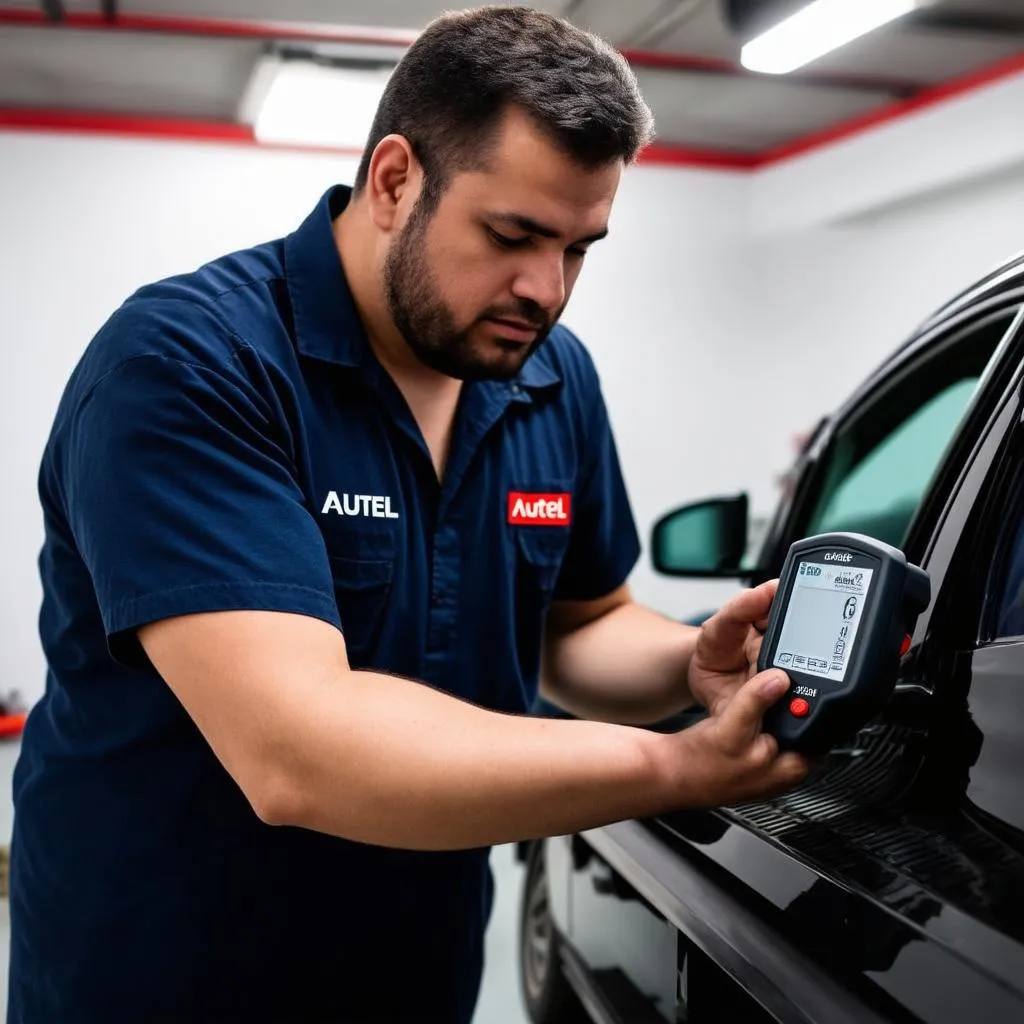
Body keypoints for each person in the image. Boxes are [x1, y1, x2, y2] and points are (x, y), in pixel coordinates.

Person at [8, 6, 809, 1022]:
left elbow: (581, 623)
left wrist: (687, 665)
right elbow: (296, 749)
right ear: (394, 181)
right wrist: (675, 762)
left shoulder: (548, 376)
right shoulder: (187, 365)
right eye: (513, 235)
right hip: (164, 978)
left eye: (579, 248)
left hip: (414, 969)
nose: (546, 288)